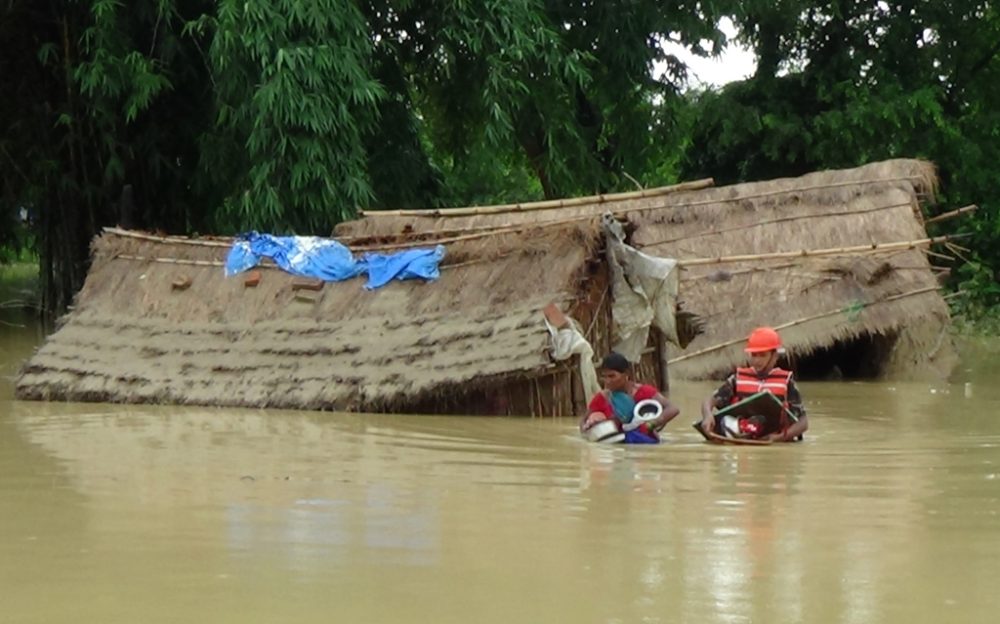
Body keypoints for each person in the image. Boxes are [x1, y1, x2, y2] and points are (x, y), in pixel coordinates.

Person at [699, 327, 809, 442]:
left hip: (775, 442)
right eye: (754, 355)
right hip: (742, 435)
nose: (757, 360)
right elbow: (709, 400)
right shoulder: (737, 378)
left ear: (775, 355)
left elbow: (803, 423)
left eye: (762, 355)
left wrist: (778, 438)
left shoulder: (786, 381)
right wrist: (707, 415)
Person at [579, 352, 680, 444]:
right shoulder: (602, 398)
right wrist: (589, 427)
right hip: (616, 447)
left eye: (612, 376)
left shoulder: (644, 392)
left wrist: (651, 424)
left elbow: (673, 409)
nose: (607, 381)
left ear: (626, 374)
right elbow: (583, 422)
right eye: (604, 377)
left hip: (645, 445)